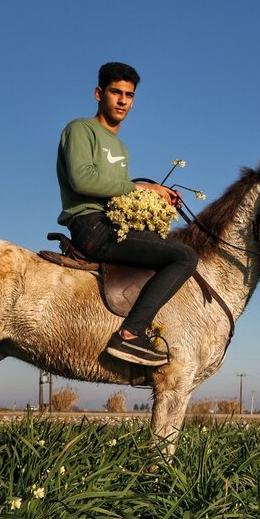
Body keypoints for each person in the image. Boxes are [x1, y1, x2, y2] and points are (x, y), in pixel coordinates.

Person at [57, 62, 197, 366]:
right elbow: (83, 180)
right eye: (115, 92)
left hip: (112, 223)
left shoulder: (121, 148)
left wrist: (155, 203)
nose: (122, 100)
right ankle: (131, 335)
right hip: (91, 227)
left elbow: (117, 192)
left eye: (129, 95)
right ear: (98, 93)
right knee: (184, 256)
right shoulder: (80, 129)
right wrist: (143, 191)